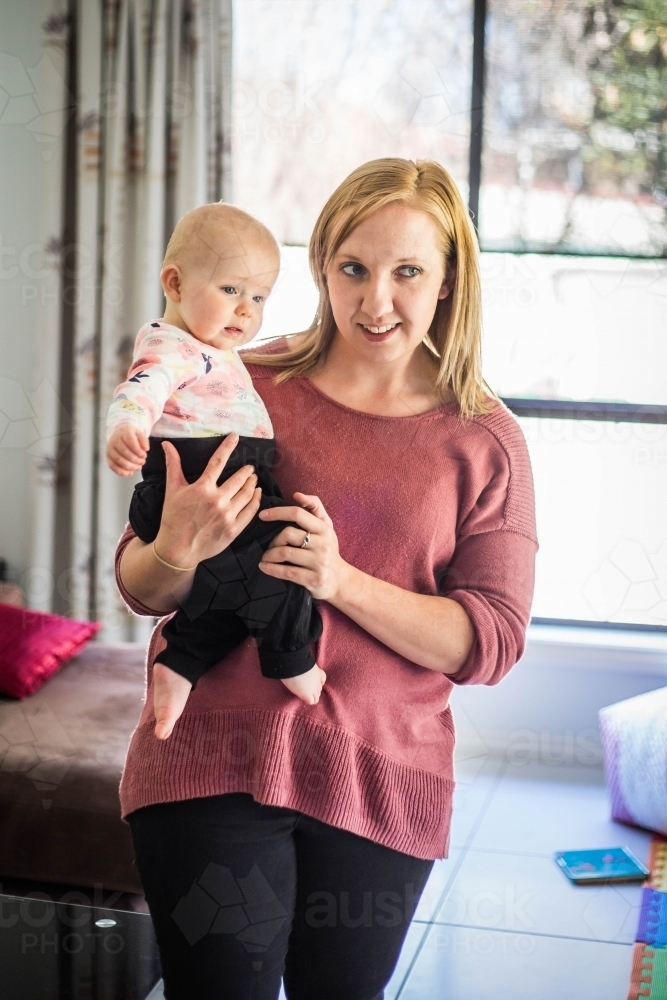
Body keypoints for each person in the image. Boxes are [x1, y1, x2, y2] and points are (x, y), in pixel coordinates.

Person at [116, 158, 538, 1000]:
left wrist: (339, 579)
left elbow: (489, 643)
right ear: (320, 268)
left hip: (381, 774)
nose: (375, 301)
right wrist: (177, 548)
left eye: (406, 271)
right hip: (211, 757)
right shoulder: (235, 381)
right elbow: (141, 586)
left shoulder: (484, 441)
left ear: (449, 278)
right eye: (352, 268)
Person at [106, 203, 326, 738]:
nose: (247, 311)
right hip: (199, 477)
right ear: (175, 282)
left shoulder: (219, 350)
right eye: (231, 290)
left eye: (259, 297)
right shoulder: (172, 346)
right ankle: (290, 655)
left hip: (234, 475)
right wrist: (126, 429)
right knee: (285, 552)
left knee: (235, 582)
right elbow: (142, 387)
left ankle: (180, 663)